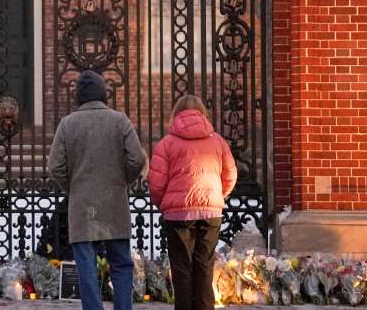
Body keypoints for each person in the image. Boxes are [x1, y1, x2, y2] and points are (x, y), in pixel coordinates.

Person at [46, 70, 146, 310]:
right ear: (103, 93)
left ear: (78, 96)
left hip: (83, 206)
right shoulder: (119, 120)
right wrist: (124, 180)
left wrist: (73, 186)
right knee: (121, 264)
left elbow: (54, 167)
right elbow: (138, 159)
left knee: (86, 266)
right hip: (114, 203)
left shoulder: (67, 124)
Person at [147, 95, 237, 310]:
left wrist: (165, 203)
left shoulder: (166, 144)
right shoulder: (218, 142)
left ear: (176, 114)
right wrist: (216, 196)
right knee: (205, 266)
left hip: (178, 215)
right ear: (202, 113)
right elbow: (230, 174)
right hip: (210, 213)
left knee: (181, 268)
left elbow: (156, 182)